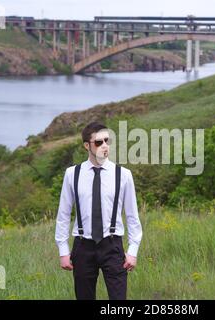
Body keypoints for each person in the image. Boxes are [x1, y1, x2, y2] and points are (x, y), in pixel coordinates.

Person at [55, 121, 143, 300]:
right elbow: (63, 215)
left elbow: (132, 216)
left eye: (107, 141)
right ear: (87, 145)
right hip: (83, 247)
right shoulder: (72, 174)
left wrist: (133, 251)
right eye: (98, 142)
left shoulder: (123, 175)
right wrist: (63, 250)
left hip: (112, 246)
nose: (104, 146)